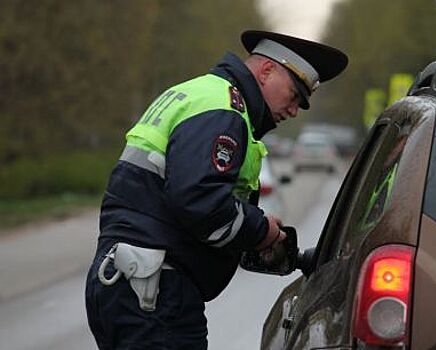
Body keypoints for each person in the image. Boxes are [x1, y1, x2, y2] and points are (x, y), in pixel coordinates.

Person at [85, 29, 348, 349]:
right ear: (267, 72)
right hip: (155, 294)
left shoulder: (196, 92)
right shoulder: (224, 108)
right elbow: (200, 201)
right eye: (294, 96)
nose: (293, 110)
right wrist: (262, 230)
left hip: (125, 281)